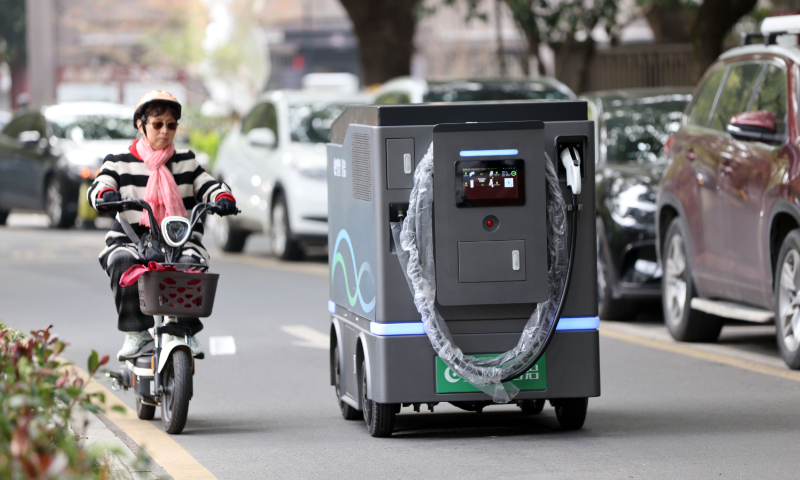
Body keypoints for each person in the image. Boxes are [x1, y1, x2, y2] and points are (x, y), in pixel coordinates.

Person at [88, 91, 237, 360]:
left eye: (171, 125)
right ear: (140, 124)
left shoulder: (187, 161)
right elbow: (100, 185)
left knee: (192, 262)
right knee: (122, 259)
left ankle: (184, 332)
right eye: (157, 124)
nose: (165, 131)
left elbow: (210, 186)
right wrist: (105, 195)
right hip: (131, 239)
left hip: (179, 239)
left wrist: (222, 197)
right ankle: (136, 334)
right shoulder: (119, 160)